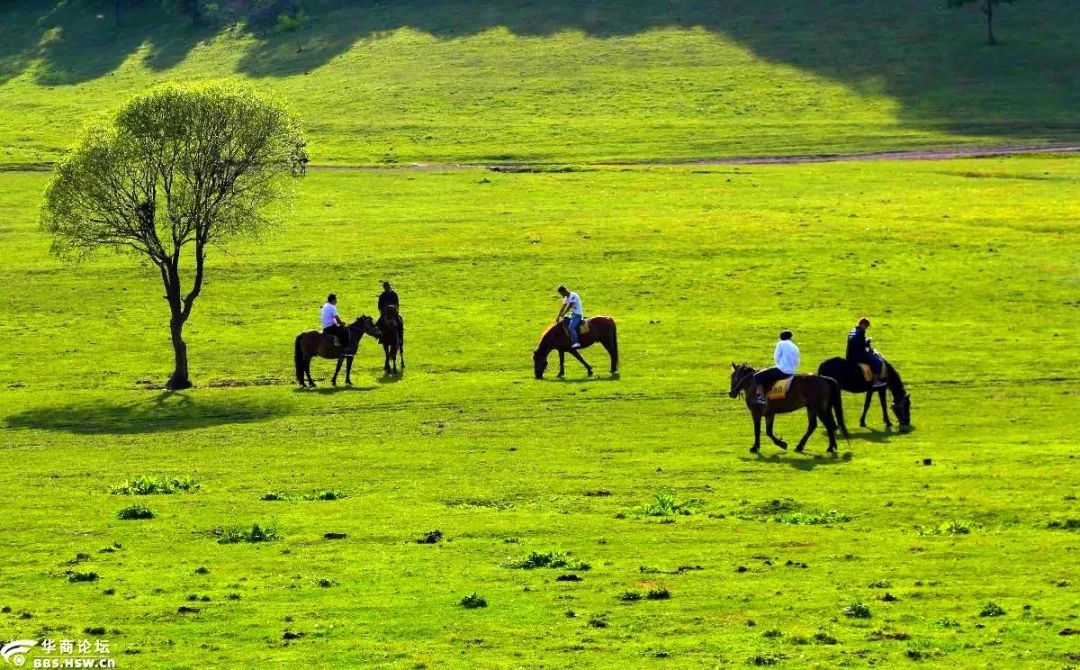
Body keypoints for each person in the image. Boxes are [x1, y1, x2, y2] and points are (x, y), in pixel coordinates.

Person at [751, 330, 800, 405]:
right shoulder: (795, 347)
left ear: (780, 337)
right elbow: (797, 361)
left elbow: (776, 357)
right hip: (792, 372)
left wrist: (778, 365)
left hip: (782, 370)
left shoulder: (781, 343)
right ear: (790, 337)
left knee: (757, 376)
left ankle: (761, 398)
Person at [847, 317, 886, 388]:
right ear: (863, 324)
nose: (866, 328)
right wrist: (867, 342)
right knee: (878, 362)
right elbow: (862, 346)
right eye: (866, 326)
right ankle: (875, 381)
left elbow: (856, 342)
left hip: (850, 355)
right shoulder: (861, 332)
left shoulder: (853, 330)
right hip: (858, 356)